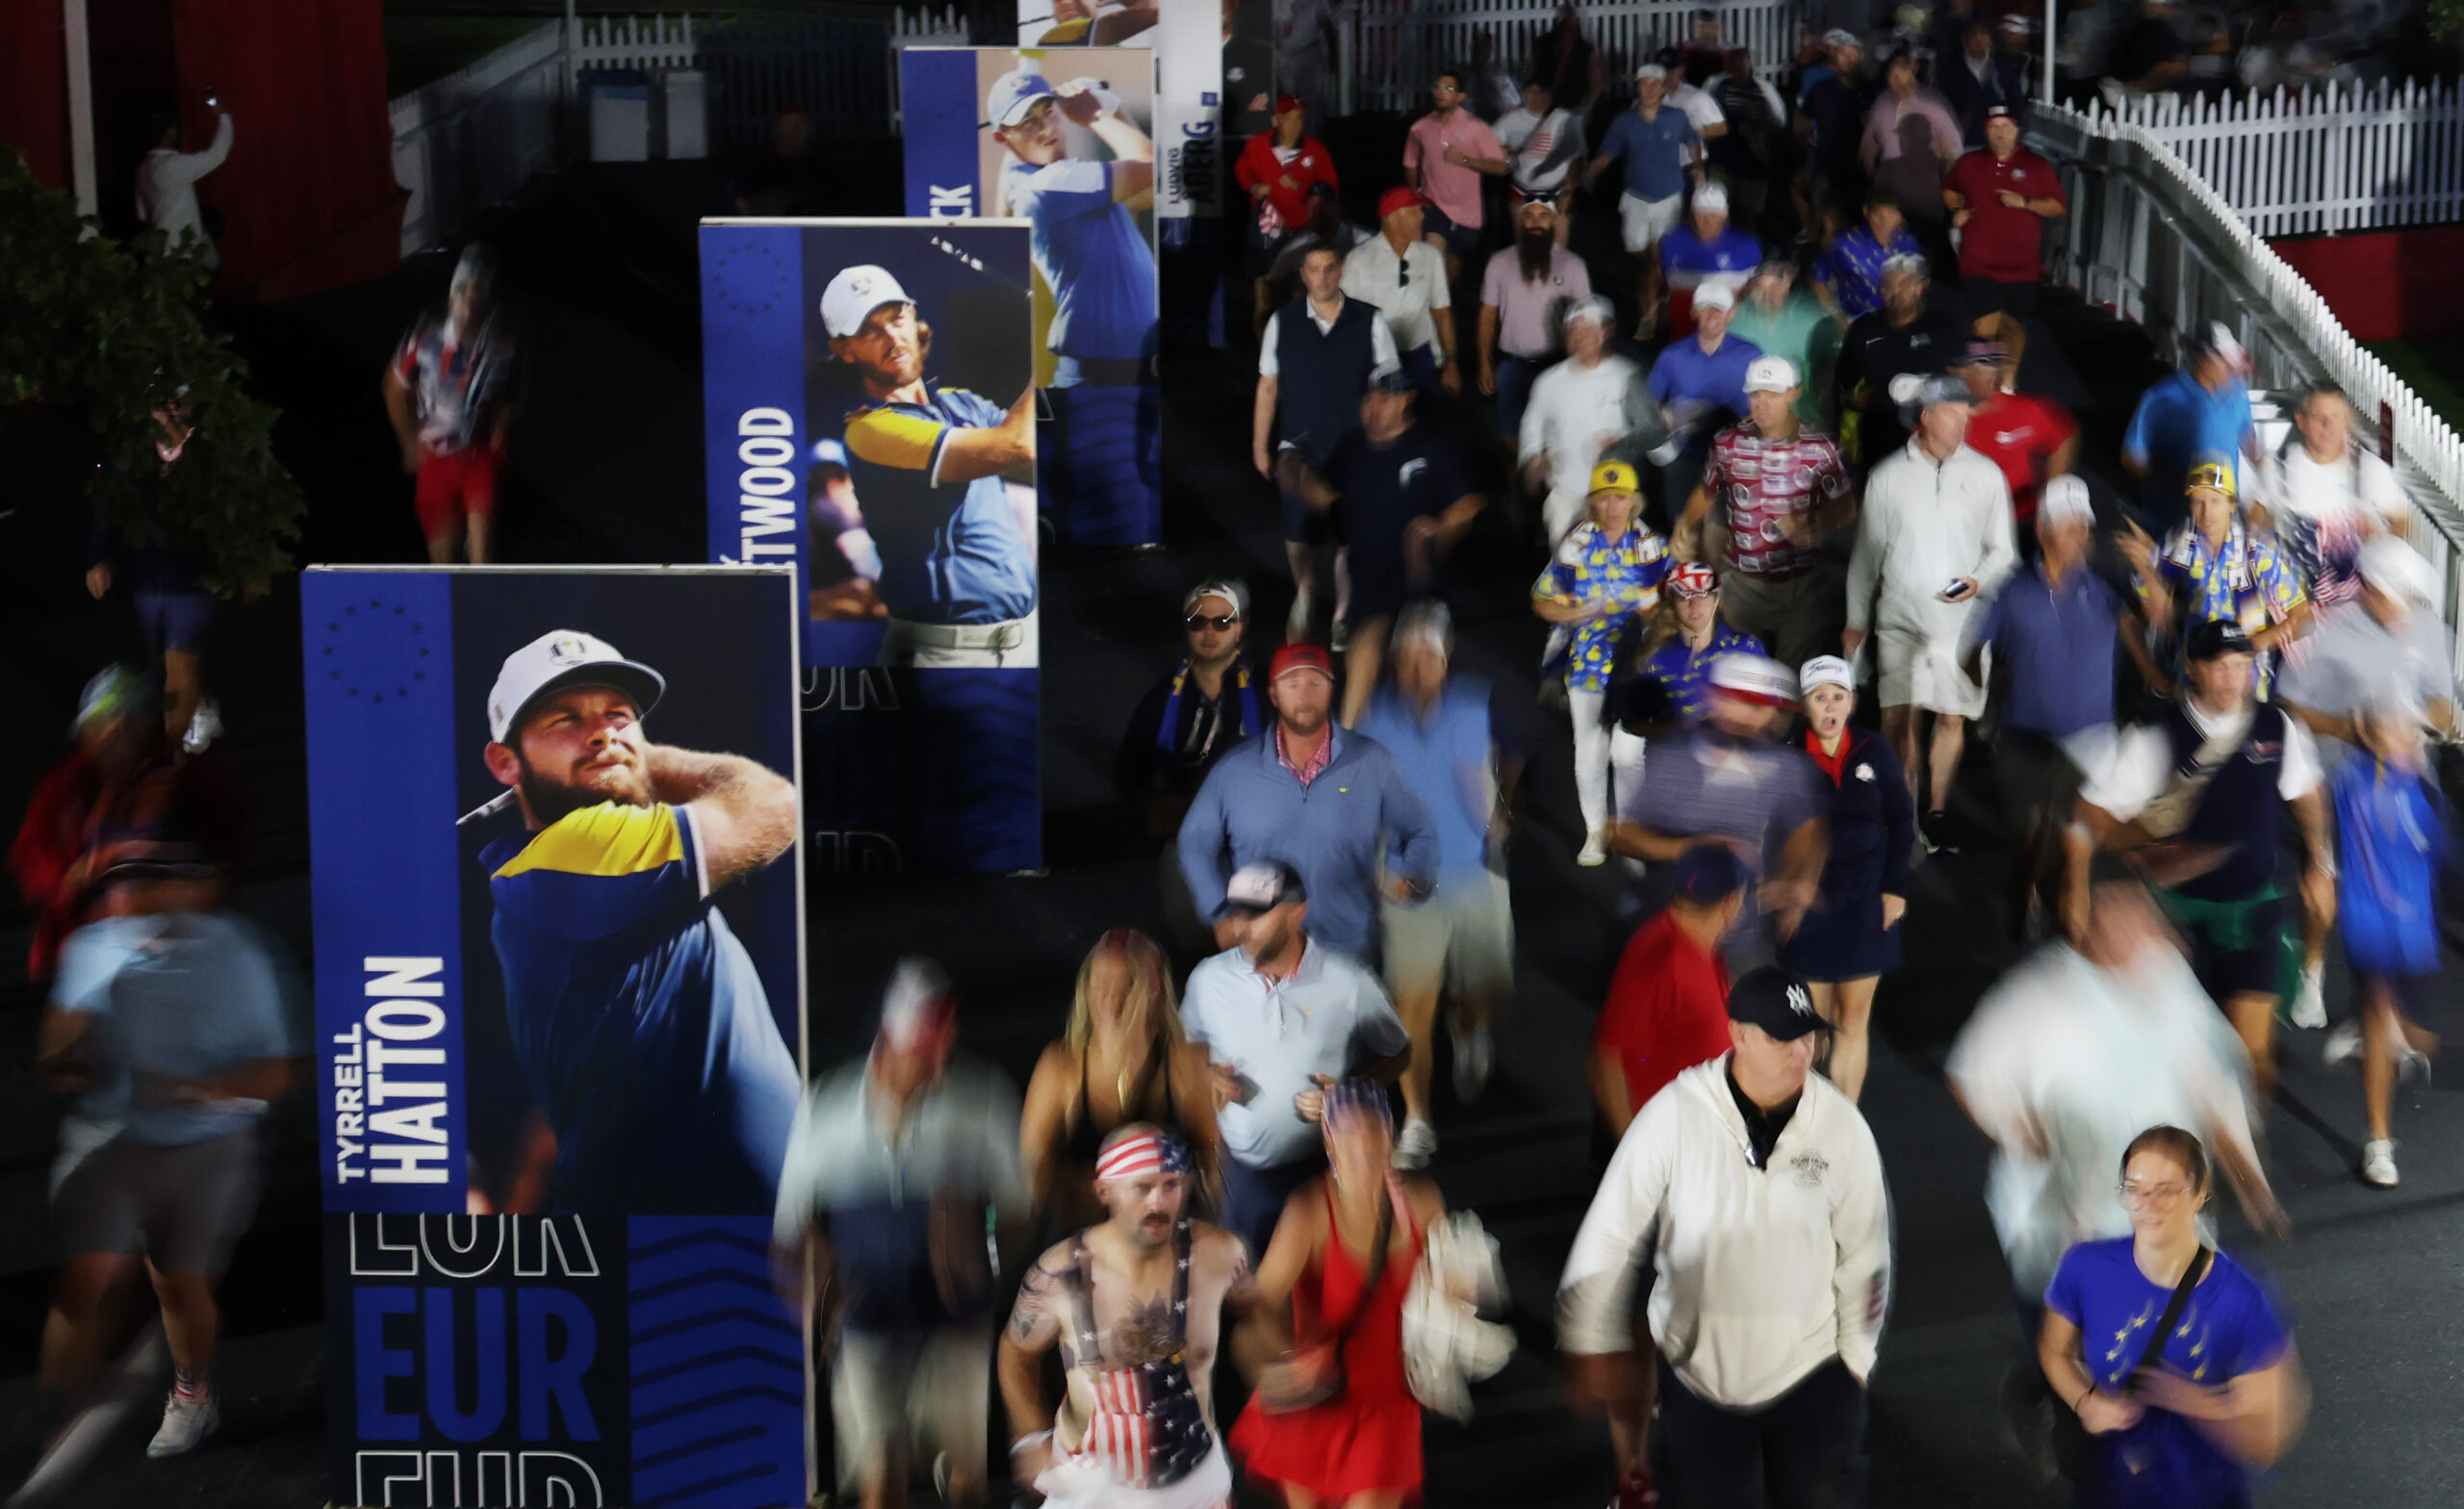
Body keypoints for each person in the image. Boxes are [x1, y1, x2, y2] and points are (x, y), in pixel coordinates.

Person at [1949, 894, 2284, 1481]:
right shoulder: (2039, 997)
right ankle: (2043, 1400)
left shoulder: (2167, 978)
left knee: (2162, 1364)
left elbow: (2208, 1078)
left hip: (2164, 1223)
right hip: (2063, 1231)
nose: (2148, 940)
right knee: (2067, 1359)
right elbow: (1970, 1075)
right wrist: (2029, 1139)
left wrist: (2251, 1181)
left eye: (2148, 925)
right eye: (2125, 927)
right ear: (2089, 934)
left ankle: (2145, 1456)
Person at [475, 627, 803, 1211]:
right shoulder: (576, 851)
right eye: (564, 720)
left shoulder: (565, 876)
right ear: (506, 762)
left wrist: (620, 756)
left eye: (618, 715)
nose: (601, 731)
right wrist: (646, 758)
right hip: (693, 1248)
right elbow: (775, 806)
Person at [1560, 965, 1891, 1509]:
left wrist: (1856, 1360)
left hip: (1810, 1375)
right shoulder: (1675, 1116)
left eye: (1807, 1034)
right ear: (1738, 1034)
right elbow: (1610, 1232)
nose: (1802, 1052)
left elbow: (1867, 1250)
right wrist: (1587, 1339)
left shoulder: (1840, 1126)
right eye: (1782, 1037)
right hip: (1700, 1382)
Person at [38, 849, 298, 1459]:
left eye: (144, 884)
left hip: (208, 1141)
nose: (126, 898)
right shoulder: (90, 949)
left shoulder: (238, 954)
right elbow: (59, 1054)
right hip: (113, 1134)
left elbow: (275, 1075)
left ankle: (192, 1396)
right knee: (85, 1278)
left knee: (177, 1284)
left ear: (189, 889)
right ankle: (74, 1414)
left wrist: (203, 1091)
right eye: (117, 887)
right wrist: (70, 1050)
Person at [773, 960, 1030, 1509]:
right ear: (892, 1035)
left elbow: (1014, 1213)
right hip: (868, 1329)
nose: (948, 1038)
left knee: (968, 1482)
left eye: (949, 1025)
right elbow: (792, 1231)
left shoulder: (982, 1102)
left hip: (955, 1324)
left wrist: (984, 1269)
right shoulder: (829, 1111)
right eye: (933, 1027)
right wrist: (818, 1311)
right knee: (880, 1480)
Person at [2074, 620, 2335, 1101]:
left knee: (2254, 1053)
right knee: (2175, 1059)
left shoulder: (2276, 726)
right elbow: (2095, 817)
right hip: (2176, 924)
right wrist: (2145, 837)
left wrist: (2320, 860)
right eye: (2221, 667)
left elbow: (2305, 794)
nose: (2235, 679)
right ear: (2193, 668)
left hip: (2253, 913)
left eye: (2243, 666)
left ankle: (2243, 1153)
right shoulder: (2158, 736)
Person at [2040, 1128, 2307, 1508]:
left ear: (2199, 1194)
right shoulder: (2084, 1267)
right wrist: (2084, 1401)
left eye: (2165, 1190)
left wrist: (2192, 1402)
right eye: (2134, 1188)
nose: (2146, 1204)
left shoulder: (2239, 1298)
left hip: (2203, 1495)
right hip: (2114, 1489)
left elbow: (2266, 1441)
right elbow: (2054, 1351)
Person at [1000, 1123, 1252, 1509]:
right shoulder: (1060, 1274)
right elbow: (1015, 1354)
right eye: (1143, 1188)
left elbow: (1259, 1321)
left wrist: (1279, 1364)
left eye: (1172, 1185)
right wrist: (1028, 1438)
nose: (1159, 1203)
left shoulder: (1219, 1255)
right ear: (1105, 1191)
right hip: (1091, 1485)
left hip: (1193, 1479)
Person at [1228, 1080, 1448, 1509]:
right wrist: (1282, 1364)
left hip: (1387, 1408)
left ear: (1391, 1135)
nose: (1363, 1144)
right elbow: (1261, 1303)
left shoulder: (1422, 1202)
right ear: (1329, 1138)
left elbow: (1447, 1287)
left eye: (1374, 1130)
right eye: (1349, 1131)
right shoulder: (1310, 1210)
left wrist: (1458, 1306)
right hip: (1319, 1403)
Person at [1179, 861, 1413, 1260]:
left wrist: (1350, 1096)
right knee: (1248, 1286)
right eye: (1238, 914)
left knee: (1324, 1277)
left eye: (1257, 914)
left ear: (1296, 913)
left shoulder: (1348, 982)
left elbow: (1398, 1050)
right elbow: (1185, 1050)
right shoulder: (1208, 980)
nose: (1242, 928)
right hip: (1246, 1177)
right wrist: (1205, 1075)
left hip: (1325, 1169)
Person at [1358, 601, 1523, 1164]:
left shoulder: (1471, 705)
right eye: (1408, 657)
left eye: (1428, 656)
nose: (1418, 668)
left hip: (1474, 874)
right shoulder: (1375, 719)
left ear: (1446, 658)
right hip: (1411, 886)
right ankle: (1418, 1121)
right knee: (1412, 1009)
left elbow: (1478, 782)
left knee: (1484, 993)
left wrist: (1495, 827)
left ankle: (1471, 1028)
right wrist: (1382, 875)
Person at [2274, 535, 2458, 1034]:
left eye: (2407, 596)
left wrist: (2427, 721)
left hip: (2406, 785)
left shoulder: (2429, 631)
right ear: (2371, 589)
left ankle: (2378, 1008)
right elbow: (2288, 704)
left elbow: (2443, 699)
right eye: (2391, 593)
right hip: (2339, 781)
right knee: (2325, 877)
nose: (2401, 606)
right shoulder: (2330, 634)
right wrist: (2347, 730)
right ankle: (2312, 974)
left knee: (2392, 897)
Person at [822, 263, 1040, 667]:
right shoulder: (870, 430)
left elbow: (1039, 449)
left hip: (1023, 637)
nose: (892, 337)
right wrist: (1052, 339)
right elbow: (1018, 445)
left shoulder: (961, 402)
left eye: (896, 317)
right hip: (948, 652)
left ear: (913, 318)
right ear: (844, 350)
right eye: (870, 330)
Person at [1964, 478, 2155, 939]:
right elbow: (1972, 654)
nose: (2082, 536)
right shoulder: (2011, 592)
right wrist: (1989, 704)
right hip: (2025, 742)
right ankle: (2022, 895)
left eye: (2085, 527)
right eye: (2072, 527)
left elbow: (2156, 619)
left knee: (2075, 850)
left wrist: (2150, 574)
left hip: (2091, 741)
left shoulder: (2106, 586)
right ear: (2046, 531)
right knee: (2033, 843)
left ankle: (2068, 944)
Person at [1176, 646, 1440, 964]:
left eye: (1315, 683)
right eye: (1292, 683)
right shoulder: (1234, 772)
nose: (1304, 694)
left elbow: (1420, 830)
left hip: (1348, 950)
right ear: (1273, 694)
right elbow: (1194, 842)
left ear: (1331, 690)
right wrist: (1219, 913)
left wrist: (1412, 876)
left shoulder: (1372, 763)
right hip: (1263, 952)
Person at [1844, 372, 2017, 853]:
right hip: (1898, 618)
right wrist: (1855, 622)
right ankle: (1903, 818)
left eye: (1965, 413)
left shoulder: (1985, 475)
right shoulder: (1887, 477)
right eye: (1952, 413)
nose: (1963, 422)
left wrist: (1977, 581)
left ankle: (1936, 812)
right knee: (1899, 721)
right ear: (1925, 417)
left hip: (1958, 628)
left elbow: (2003, 552)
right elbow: (1865, 558)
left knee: (1950, 718)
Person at [988, 69, 1161, 545]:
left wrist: (1107, 104)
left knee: (1139, 520)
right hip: (1098, 378)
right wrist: (1099, 112)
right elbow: (1152, 164)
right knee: (1115, 527)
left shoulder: (1071, 183)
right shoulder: (1049, 187)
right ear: (1005, 139)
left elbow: (1145, 182)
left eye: (1049, 112)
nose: (1046, 127)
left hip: (1128, 370)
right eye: (1028, 123)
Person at [9, 668, 248, 986]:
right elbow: (30, 856)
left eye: (123, 725)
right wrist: (68, 881)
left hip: (181, 939)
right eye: (99, 728)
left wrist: (194, 885)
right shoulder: (62, 790)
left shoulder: (183, 774)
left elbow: (228, 825)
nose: (112, 739)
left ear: (143, 725)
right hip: (97, 945)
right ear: (85, 737)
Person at [1279, 373, 1484, 723]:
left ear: (1406, 400)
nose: (1374, 408)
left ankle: (1425, 750)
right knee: (1364, 657)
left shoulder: (1429, 448)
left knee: (1416, 674)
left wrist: (1441, 528)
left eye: (1384, 399)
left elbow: (1470, 504)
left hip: (1421, 588)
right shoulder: (1352, 448)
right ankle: (1350, 750)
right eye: (1369, 399)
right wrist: (1300, 480)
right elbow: (1329, 500)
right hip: (1368, 586)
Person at [1614, 653, 1829, 972]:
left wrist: (1795, 879)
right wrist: (1693, 849)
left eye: (1771, 709)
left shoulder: (1788, 769)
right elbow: (1620, 835)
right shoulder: (1672, 761)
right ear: (1717, 700)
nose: (1765, 718)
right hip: (1666, 939)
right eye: (1752, 706)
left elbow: (1808, 827)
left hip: (1745, 945)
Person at [1778, 657, 1913, 1105]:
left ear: (1851, 702)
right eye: (1820, 698)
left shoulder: (1873, 749)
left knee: (1852, 1022)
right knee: (1812, 1025)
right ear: (1805, 706)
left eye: (1838, 696)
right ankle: (1807, 1113)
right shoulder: (1788, 756)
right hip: (1811, 907)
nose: (1830, 706)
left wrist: (1895, 888)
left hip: (1866, 904)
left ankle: (1844, 1121)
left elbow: (1902, 820)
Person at [1022, 931, 1222, 1231]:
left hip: (1168, 1240)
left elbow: (1213, 1158)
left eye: (1128, 984)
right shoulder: (1061, 1065)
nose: (1112, 996)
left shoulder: (1186, 1063)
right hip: (1086, 1240)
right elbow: (1032, 1170)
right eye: (1102, 982)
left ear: (1154, 992)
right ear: (1086, 989)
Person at [1255, 243, 1400, 644]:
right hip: (1298, 448)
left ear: (1340, 272)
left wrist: (1386, 439)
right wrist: (1259, 446)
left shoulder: (1370, 320)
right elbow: (1268, 386)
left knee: (1347, 536)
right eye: (1313, 270)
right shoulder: (1282, 322)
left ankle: (1341, 613)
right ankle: (1304, 591)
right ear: (1303, 275)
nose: (1321, 277)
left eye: (1329, 268)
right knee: (1297, 531)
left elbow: (1389, 386)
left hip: (1353, 448)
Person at [2328, 703, 2448, 1187]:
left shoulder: (2422, 792)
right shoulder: (2355, 786)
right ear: (2373, 739)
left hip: (2414, 936)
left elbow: (2442, 857)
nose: (2413, 741)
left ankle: (2387, 1036)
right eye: (2401, 733)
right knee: (2381, 1012)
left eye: (2413, 735)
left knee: (2417, 1038)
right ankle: (2379, 1142)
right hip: (2369, 927)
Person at [1675, 353, 1856, 670]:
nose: (1762, 404)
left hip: (1802, 589)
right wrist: (1684, 526)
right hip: (1743, 586)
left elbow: (1845, 509)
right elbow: (1707, 492)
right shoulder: (1727, 444)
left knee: (1793, 679)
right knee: (1737, 677)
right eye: (1755, 394)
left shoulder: (1820, 449)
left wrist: (1812, 524)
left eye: (1772, 394)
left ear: (1793, 393)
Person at [1531, 461, 1672, 867]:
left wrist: (1652, 621)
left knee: (1627, 753)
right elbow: (1541, 600)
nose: (1612, 506)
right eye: (1604, 498)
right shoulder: (1576, 544)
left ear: (1634, 501)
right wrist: (1576, 615)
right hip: (1588, 660)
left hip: (1636, 665)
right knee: (1589, 747)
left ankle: (1629, 831)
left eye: (1620, 497)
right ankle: (1595, 831)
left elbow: (1676, 601)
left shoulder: (1651, 546)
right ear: (1592, 502)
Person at [86, 395, 222, 747]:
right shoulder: (134, 453)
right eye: (160, 405)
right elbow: (110, 502)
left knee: (180, 668)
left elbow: (242, 507)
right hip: (147, 579)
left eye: (176, 403)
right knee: (164, 665)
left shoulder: (213, 450)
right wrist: (98, 557)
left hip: (195, 580)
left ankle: (168, 753)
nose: (167, 412)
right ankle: (201, 706)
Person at [1589, 844, 1751, 1138]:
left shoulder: (1700, 949)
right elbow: (1605, 1059)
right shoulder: (1661, 960)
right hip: (1669, 1146)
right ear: (1730, 904)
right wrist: (1634, 1153)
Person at [2117, 463, 2308, 695]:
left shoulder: (2258, 554)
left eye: (2215, 501)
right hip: (2193, 681)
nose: (2206, 513)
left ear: (2232, 504)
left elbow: (2305, 618)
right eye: (2198, 502)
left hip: (2245, 684)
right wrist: (2146, 570)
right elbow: (2148, 614)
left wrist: (2260, 641)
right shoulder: (2180, 547)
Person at [384, 243, 521, 565]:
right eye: (463, 290)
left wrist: (504, 423)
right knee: (442, 569)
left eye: (479, 292)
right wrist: (407, 442)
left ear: (488, 301)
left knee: (482, 560)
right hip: (435, 460)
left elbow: (515, 388)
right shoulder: (426, 339)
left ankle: (481, 598)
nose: (471, 300)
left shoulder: (503, 342)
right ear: (451, 296)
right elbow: (392, 387)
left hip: (476, 455)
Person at [1117, 579, 1269, 843]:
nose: (1209, 632)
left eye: (1222, 622)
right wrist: (1152, 801)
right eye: (1198, 622)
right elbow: (1127, 772)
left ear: (1240, 627)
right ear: (1186, 628)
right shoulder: (1162, 698)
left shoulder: (1270, 691)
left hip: (1257, 825)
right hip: (1184, 830)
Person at [1519, 296, 1668, 548]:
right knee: (1568, 574)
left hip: (1615, 498)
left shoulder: (1626, 375)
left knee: (1616, 574)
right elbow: (1531, 434)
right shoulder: (1548, 382)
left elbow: (1655, 436)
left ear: (1604, 331)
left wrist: (1623, 443)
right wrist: (1533, 463)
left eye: (1588, 327)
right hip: (1566, 494)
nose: (1580, 336)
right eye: (1573, 329)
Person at [2260, 380, 2409, 612]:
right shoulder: (2277, 468)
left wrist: (2384, 548)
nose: (2328, 426)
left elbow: (2400, 520)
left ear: (2346, 421)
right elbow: (2257, 520)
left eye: (2335, 417)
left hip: (2356, 615)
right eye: (2318, 417)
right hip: (2293, 615)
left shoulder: (2370, 470)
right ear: (2301, 421)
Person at [1588, 64, 1704, 340]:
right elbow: (1609, 151)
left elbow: (1692, 140)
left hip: (1668, 198)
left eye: (1655, 84)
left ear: (1664, 89)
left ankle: (1647, 316)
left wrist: (1698, 168)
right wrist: (1590, 171)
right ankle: (1658, 292)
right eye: (1644, 84)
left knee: (1654, 258)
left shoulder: (1676, 117)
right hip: (1635, 198)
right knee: (1641, 257)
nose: (1650, 89)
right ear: (1637, 87)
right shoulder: (1623, 121)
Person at [1941, 108, 2066, 346]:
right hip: (1977, 266)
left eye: (2005, 126)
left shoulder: (2037, 166)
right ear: (1985, 132)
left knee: (2012, 332)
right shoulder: (1969, 163)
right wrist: (1957, 210)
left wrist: (2026, 203)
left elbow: (2057, 205)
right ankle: (1983, 381)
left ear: (2017, 130)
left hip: (2022, 268)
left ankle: (2006, 383)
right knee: (1983, 328)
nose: (2000, 133)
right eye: (1993, 127)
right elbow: (1949, 188)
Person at [2119, 324, 2258, 536]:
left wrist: (2265, 480)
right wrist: (2167, 486)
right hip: (2171, 524)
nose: (2231, 372)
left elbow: (2248, 439)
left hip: (2221, 523)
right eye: (2225, 363)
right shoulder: (2161, 397)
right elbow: (2131, 456)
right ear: (2203, 359)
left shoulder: (2238, 394)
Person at [1476, 196, 1594, 440]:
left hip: (1555, 366)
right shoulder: (1499, 263)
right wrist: (1484, 362)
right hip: (1511, 367)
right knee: (1511, 437)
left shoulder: (1573, 266)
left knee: (1553, 437)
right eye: (1529, 216)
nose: (1535, 222)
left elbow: (1586, 321)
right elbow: (1487, 315)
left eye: (1543, 216)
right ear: (1521, 222)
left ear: (1553, 221)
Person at [1648, 282, 1763, 521]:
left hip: (1736, 461)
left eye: (1719, 308)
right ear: (1693, 312)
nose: (1712, 315)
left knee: (1728, 530)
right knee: (1682, 527)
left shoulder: (1751, 354)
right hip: (1686, 458)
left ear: (1731, 314)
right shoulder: (1672, 356)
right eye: (1704, 308)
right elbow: (1652, 403)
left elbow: (1766, 403)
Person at [1836, 252, 1966, 465]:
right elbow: (1845, 383)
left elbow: (1960, 382)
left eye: (1906, 283)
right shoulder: (1863, 329)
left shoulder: (1943, 329)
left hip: (1930, 432)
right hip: (1878, 433)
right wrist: (1852, 399)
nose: (1897, 292)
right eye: (1888, 285)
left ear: (1922, 285)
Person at [1953, 338, 2079, 533]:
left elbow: (2064, 435)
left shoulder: (2025, 410)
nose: (1983, 374)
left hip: (2023, 526)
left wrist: (2051, 493)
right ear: (1953, 371)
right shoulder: (1938, 420)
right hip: (1966, 529)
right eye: (1972, 366)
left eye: (1990, 366)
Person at [1340, 188, 1459, 394]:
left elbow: (1442, 312)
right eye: (1415, 212)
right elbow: (1346, 318)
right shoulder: (1359, 260)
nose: (1422, 217)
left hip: (1421, 355)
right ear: (1393, 218)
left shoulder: (1431, 256)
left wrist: (1451, 362)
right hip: (1376, 360)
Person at [1240, 92, 1342, 327]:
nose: (1295, 124)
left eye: (1299, 118)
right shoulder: (1257, 144)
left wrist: (1311, 190)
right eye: (1289, 118)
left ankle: (1298, 353)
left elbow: (1330, 185)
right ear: (1276, 120)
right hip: (1266, 233)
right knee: (1264, 299)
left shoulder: (1315, 150)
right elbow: (1242, 171)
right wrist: (1253, 186)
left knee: (1301, 299)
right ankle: (1265, 360)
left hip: (1301, 233)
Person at [1401, 69, 1507, 277]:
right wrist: (1414, 194)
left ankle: (1450, 307)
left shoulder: (1476, 127)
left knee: (1451, 280)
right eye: (1438, 87)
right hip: (1434, 207)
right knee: (1435, 270)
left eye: (1449, 88)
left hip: (1466, 215)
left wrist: (1467, 160)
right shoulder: (1420, 128)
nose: (1441, 92)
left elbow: (1501, 166)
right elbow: (1410, 162)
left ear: (1460, 96)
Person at [1859, 51, 1963, 257]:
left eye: (1900, 75)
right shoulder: (1881, 104)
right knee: (1888, 253)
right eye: (1891, 76)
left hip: (1925, 196)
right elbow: (1869, 145)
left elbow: (1954, 151)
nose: (1896, 81)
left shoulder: (1933, 105)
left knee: (1922, 253)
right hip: (1889, 197)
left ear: (1912, 72)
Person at [1728, 260, 1840, 435]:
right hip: (1752, 423)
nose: (1767, 295)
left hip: (1804, 422)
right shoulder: (1734, 321)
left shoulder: (1813, 318)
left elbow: (1831, 374)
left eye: (1774, 287)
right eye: (1761, 288)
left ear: (1787, 283)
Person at [135, 100, 233, 268]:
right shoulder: (172, 165)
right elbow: (217, 155)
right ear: (170, 131)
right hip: (181, 255)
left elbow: (142, 214)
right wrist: (224, 117)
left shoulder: (143, 168)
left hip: (159, 254)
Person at [1658, 181, 1763, 333]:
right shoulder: (1672, 240)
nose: (1707, 220)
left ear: (1725, 213)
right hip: (1685, 321)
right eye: (1702, 213)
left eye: (1714, 214)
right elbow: (1664, 278)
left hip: (1730, 323)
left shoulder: (1747, 245)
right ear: (1692, 214)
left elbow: (1754, 287)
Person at [1496, 76, 1588, 242]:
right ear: (1523, 94)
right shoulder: (1510, 120)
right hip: (1521, 190)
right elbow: (1487, 145)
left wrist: (1568, 190)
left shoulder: (1565, 119)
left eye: (1541, 91)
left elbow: (1578, 159)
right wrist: (1505, 153)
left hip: (1558, 191)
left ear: (1550, 96)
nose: (1536, 96)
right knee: (1525, 245)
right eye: (1531, 91)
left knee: (1558, 247)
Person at [1812, 192, 1922, 321]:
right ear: (1866, 212)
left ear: (1901, 218)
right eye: (1879, 215)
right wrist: (1838, 318)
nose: (1885, 223)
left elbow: (1918, 279)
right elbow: (1817, 280)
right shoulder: (1843, 244)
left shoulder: (1908, 242)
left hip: (1898, 316)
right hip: (1857, 319)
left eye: (1892, 215)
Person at [1802, 31, 1875, 202]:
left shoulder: (1873, 90)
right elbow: (1803, 121)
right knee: (1829, 213)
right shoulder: (1820, 89)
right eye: (1842, 54)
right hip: (1827, 164)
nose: (1847, 59)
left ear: (1861, 56)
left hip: (1859, 167)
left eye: (1851, 54)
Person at [1938, 22, 2026, 144]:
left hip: (1997, 146)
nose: (1979, 40)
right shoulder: (1951, 73)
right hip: (1963, 145)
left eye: (1983, 35)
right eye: (1974, 35)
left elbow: (2016, 108)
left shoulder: (2003, 70)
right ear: (1965, 41)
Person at [2111, 0, 2193, 94]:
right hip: (2148, 94)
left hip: (2147, 94)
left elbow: (2173, 66)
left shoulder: (2162, 29)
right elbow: (2171, 67)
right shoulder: (2153, 29)